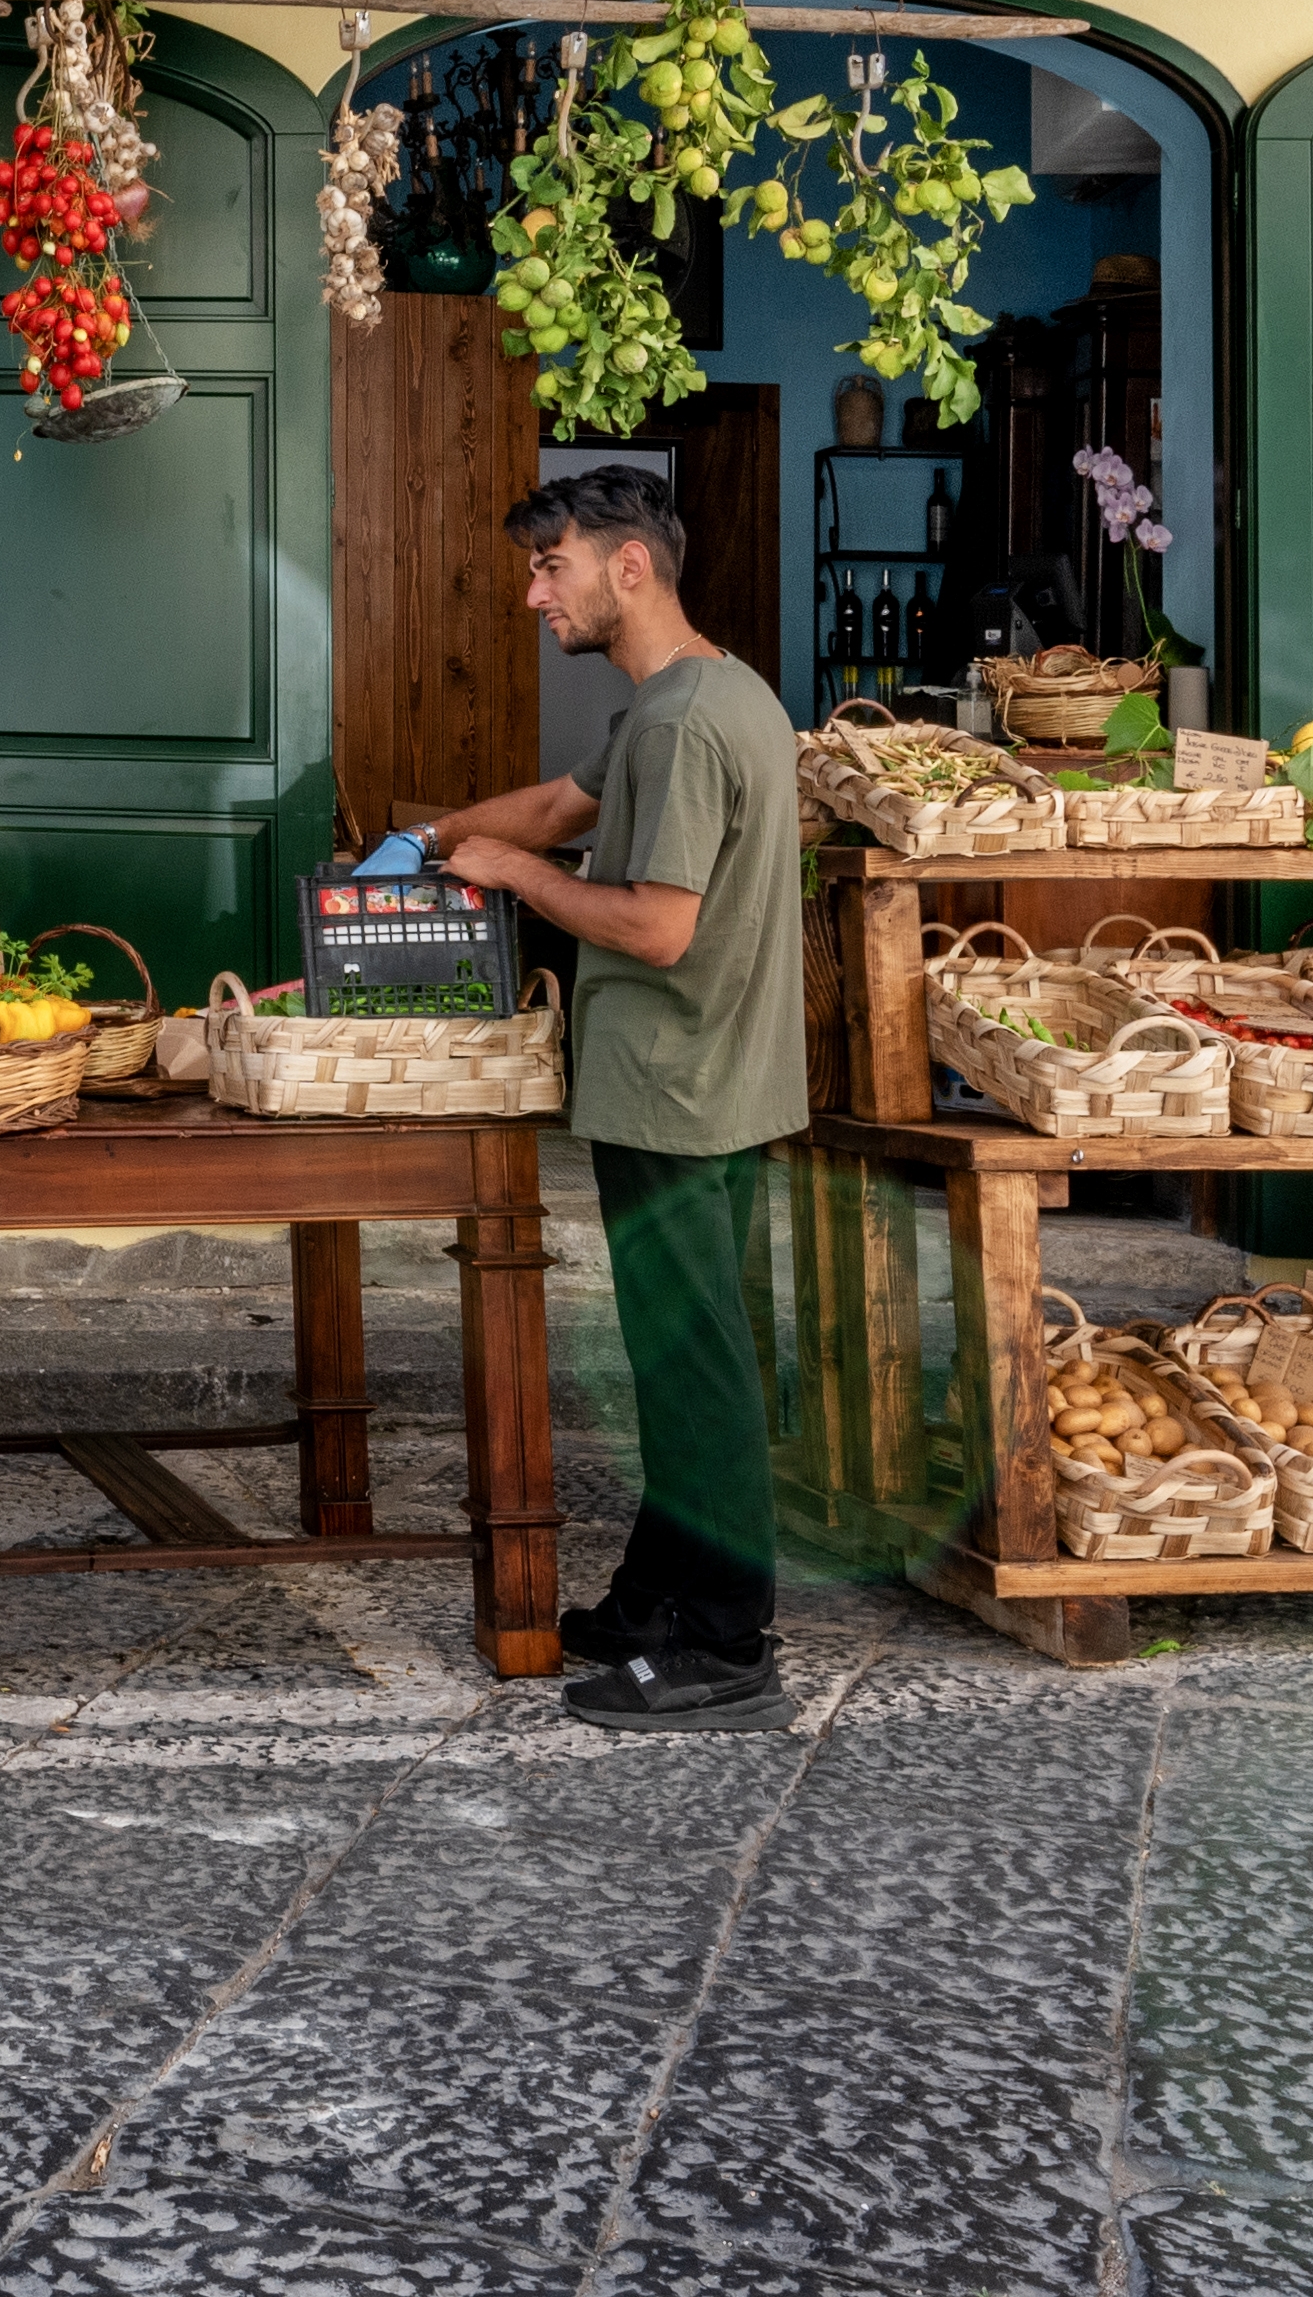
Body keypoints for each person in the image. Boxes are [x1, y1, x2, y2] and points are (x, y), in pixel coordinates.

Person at [425, 466, 803, 1722]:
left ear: (625, 565)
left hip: (681, 1084)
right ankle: (656, 1590)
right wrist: (427, 846)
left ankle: (729, 1641)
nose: (536, 593)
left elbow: (655, 925)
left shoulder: (687, 723)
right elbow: (559, 806)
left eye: (553, 566)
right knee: (677, 1350)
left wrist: (519, 878)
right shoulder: (697, 696)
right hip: (701, 1081)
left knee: (695, 1362)